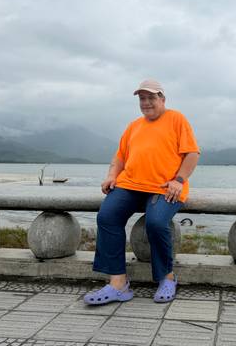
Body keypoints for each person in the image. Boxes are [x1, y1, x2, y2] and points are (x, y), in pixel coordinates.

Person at [84, 79, 200, 305]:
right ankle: (118, 284)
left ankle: (167, 277)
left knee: (156, 223)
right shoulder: (133, 126)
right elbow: (120, 157)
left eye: (151, 98)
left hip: (165, 187)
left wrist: (178, 180)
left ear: (162, 99)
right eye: (142, 99)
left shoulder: (176, 119)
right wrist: (111, 176)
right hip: (130, 184)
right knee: (107, 216)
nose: (146, 103)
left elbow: (192, 153)